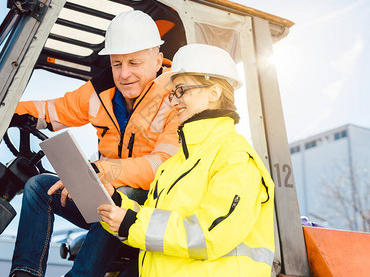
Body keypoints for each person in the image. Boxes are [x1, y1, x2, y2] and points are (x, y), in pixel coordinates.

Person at [9, 10, 179, 277]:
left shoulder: (178, 98)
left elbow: (162, 166)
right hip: (105, 192)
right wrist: (2, 112)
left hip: (151, 206)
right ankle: (25, 272)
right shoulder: (100, 91)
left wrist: (100, 172)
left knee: (123, 195)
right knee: (38, 187)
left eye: (134, 63)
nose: (124, 74)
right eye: (116, 63)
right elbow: (53, 110)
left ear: (158, 61)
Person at [98, 44, 275, 276]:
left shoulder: (235, 156)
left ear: (214, 93)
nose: (173, 101)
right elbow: (153, 225)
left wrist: (133, 222)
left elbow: (209, 235)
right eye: (172, 93)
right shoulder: (173, 166)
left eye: (181, 91)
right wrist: (116, 203)